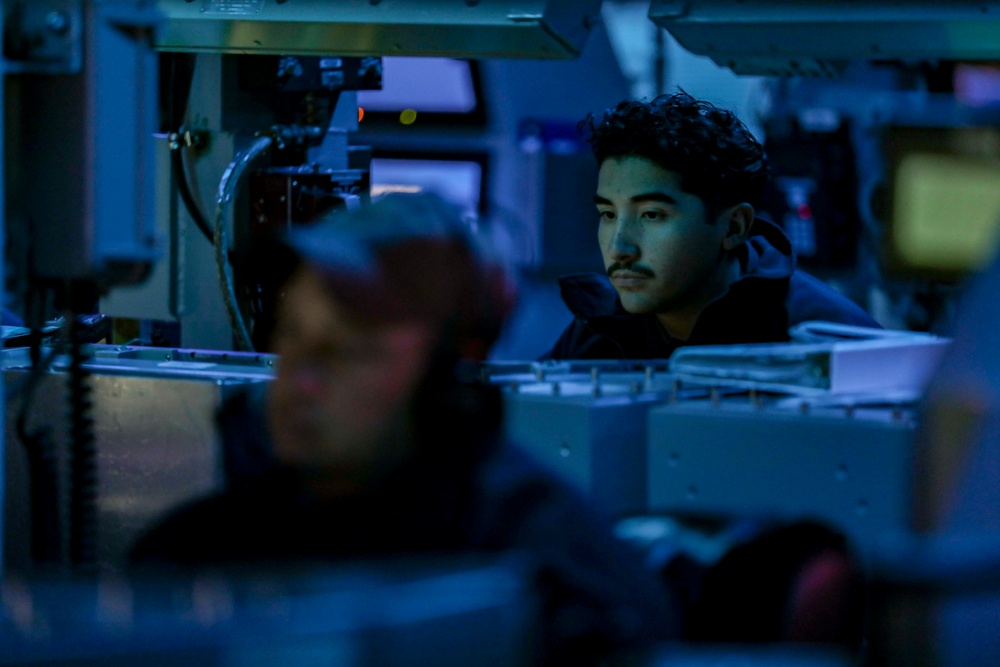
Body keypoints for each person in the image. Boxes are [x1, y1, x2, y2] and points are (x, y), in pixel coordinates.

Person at [130, 192, 678, 664]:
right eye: (293, 333)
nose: (302, 377)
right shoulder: (195, 557)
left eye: (351, 349)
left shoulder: (549, 576)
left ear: (442, 377)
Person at [542, 90, 880, 361]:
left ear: (733, 227)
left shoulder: (825, 339)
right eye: (609, 215)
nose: (620, 248)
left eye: (652, 215)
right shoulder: (598, 331)